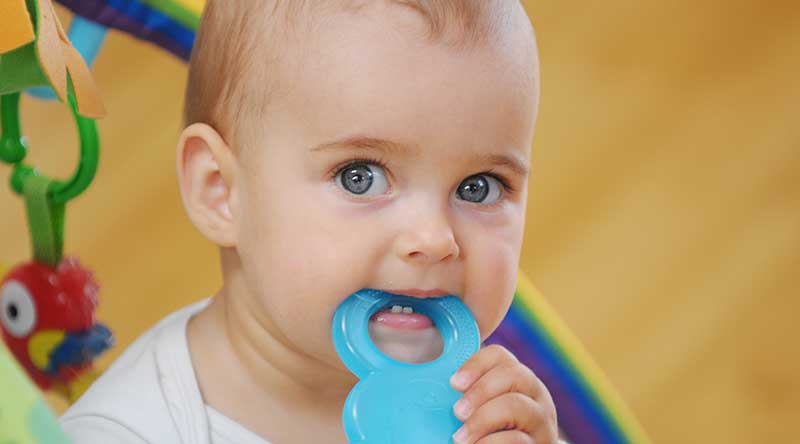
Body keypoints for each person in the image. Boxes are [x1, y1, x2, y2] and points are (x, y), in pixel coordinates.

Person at [62, 1, 560, 443]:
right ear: (221, 191)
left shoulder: (480, 404)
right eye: (359, 177)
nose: (434, 240)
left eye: (479, 187)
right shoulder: (127, 431)